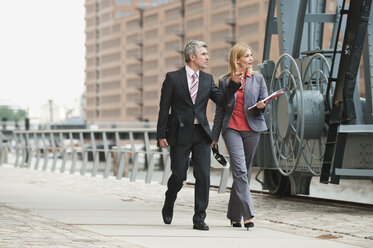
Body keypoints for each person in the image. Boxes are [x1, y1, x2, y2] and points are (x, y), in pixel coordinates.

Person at [157, 40, 242, 231]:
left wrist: (233, 85)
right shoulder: (172, 78)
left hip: (202, 134)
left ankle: (199, 218)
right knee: (178, 175)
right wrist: (161, 134)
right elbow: (164, 109)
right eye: (204, 54)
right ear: (192, 57)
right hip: (179, 134)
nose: (207, 57)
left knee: (203, 176)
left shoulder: (207, 79)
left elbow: (221, 100)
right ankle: (170, 199)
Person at [211, 42, 269, 230]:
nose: (251, 59)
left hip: (252, 129)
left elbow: (266, 103)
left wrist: (263, 105)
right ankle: (248, 215)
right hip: (231, 130)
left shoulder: (259, 79)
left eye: (251, 55)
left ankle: (234, 215)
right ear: (237, 60)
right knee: (241, 172)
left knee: (242, 173)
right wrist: (214, 137)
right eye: (246, 56)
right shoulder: (224, 81)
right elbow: (220, 110)